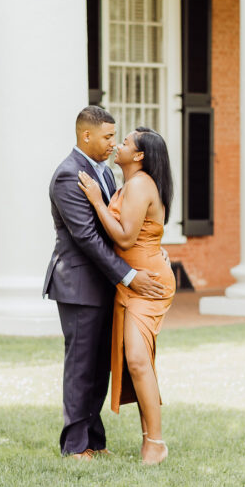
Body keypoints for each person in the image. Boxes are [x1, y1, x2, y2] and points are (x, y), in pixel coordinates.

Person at [43, 107, 165, 461]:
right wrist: (129, 275)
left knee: (99, 367)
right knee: (81, 365)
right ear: (87, 136)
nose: (114, 143)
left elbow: (127, 227)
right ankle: (75, 445)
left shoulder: (108, 174)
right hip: (79, 283)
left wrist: (154, 255)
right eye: (108, 137)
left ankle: (95, 440)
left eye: (116, 137)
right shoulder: (68, 176)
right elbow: (87, 238)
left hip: (107, 284)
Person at [78, 126, 175, 465]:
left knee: (136, 359)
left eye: (125, 142)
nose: (118, 145)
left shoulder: (139, 184)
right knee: (139, 362)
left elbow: (123, 238)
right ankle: (151, 440)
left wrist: (95, 201)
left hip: (147, 286)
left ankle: (156, 442)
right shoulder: (131, 185)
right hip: (133, 282)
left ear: (139, 156)